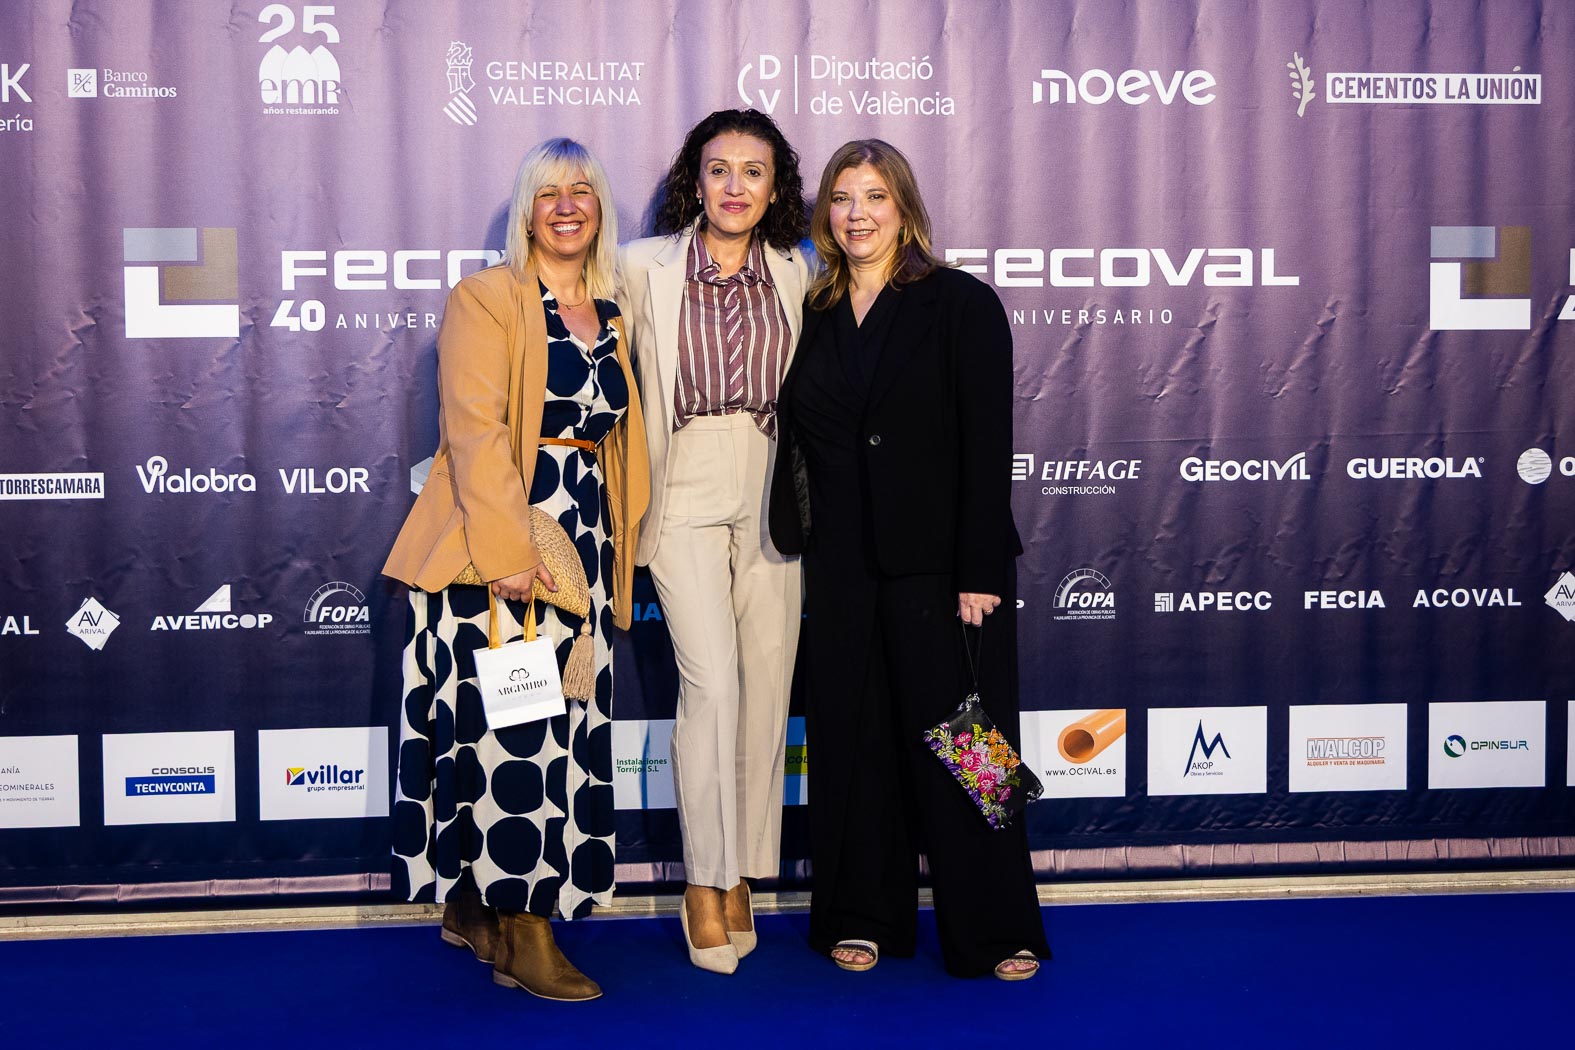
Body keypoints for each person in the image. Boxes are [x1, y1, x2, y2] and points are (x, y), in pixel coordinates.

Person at [769, 139, 1051, 980]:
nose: (856, 214)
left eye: (874, 197)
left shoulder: (960, 302)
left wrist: (978, 569)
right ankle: (859, 913)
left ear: (904, 209)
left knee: (971, 747)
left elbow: (986, 442)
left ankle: (999, 926)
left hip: (943, 570)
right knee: (854, 746)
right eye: (842, 198)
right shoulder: (813, 309)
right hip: (840, 570)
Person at [383, 137, 649, 1001]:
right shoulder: (486, 297)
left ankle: (472, 908)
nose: (566, 206)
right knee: (516, 740)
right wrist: (508, 556)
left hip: (582, 553)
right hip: (501, 556)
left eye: (582, 191)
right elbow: (475, 431)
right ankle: (526, 935)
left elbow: (617, 446)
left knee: (557, 729)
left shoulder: (612, 311)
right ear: (526, 212)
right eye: (547, 193)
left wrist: (619, 557)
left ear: (600, 207)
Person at [616, 109, 814, 974]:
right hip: (683, 477)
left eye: (753, 172)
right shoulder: (640, 265)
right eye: (719, 169)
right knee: (711, 683)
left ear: (775, 189)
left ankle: (743, 872)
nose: (735, 186)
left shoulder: (799, 270)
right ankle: (704, 880)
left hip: (772, 483)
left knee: (766, 689)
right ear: (693, 182)